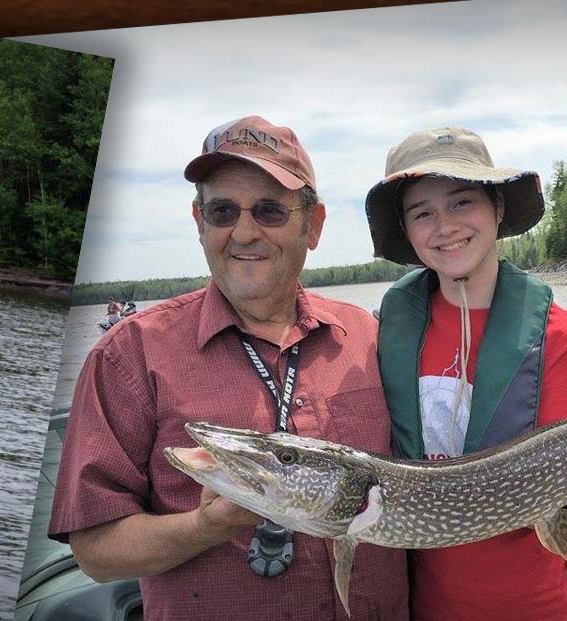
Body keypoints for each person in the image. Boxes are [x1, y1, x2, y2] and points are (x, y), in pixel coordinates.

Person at [49, 116, 408, 619]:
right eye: (222, 211)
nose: (244, 232)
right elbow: (95, 551)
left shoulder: (370, 337)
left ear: (313, 225)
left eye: (269, 211)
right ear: (199, 222)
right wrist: (205, 526)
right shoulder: (127, 354)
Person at [364, 127, 567, 619]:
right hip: (427, 606)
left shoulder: (562, 339)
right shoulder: (385, 331)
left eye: (461, 202)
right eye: (422, 213)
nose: (445, 226)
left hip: (537, 605)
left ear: (498, 209)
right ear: (408, 232)